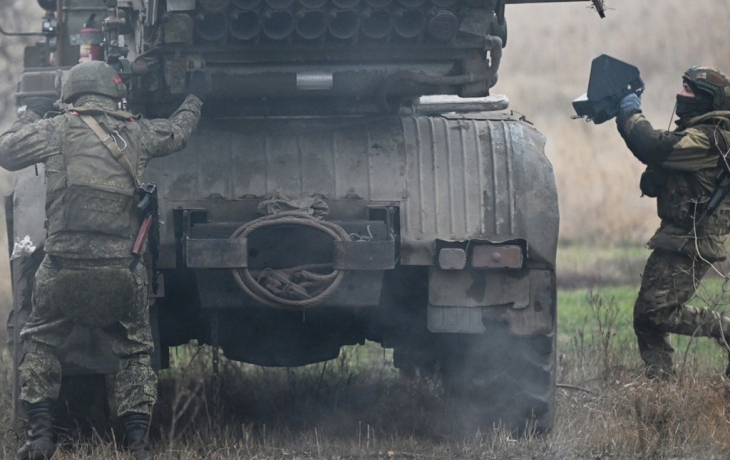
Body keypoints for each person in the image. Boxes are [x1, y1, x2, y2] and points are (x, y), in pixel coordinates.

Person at [0, 60, 206, 460]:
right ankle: (138, 444)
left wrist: (30, 113)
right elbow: (179, 132)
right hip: (121, 272)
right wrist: (195, 98)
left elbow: (6, 151)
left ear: (72, 95)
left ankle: (41, 437)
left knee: (40, 341)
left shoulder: (56, 129)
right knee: (134, 352)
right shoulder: (137, 131)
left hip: (62, 269)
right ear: (115, 95)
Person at [616, 66, 730, 378]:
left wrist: (629, 110)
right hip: (679, 236)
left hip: (690, 240)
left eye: (689, 90)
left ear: (707, 101)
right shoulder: (700, 135)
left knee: (655, 314)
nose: (681, 94)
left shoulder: (709, 139)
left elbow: (652, 145)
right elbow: (654, 158)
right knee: (648, 317)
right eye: (682, 87)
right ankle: (661, 391)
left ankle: (725, 332)